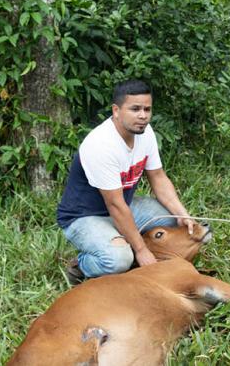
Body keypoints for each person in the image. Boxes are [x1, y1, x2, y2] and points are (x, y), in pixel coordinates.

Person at [57, 79, 196, 285]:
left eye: (147, 109)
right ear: (116, 110)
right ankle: (81, 264)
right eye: (135, 109)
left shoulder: (145, 133)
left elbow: (158, 177)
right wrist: (140, 250)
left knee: (173, 222)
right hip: (85, 217)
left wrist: (181, 214)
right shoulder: (101, 145)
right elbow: (115, 205)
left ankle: (127, 243)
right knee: (118, 260)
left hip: (124, 208)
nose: (143, 116)